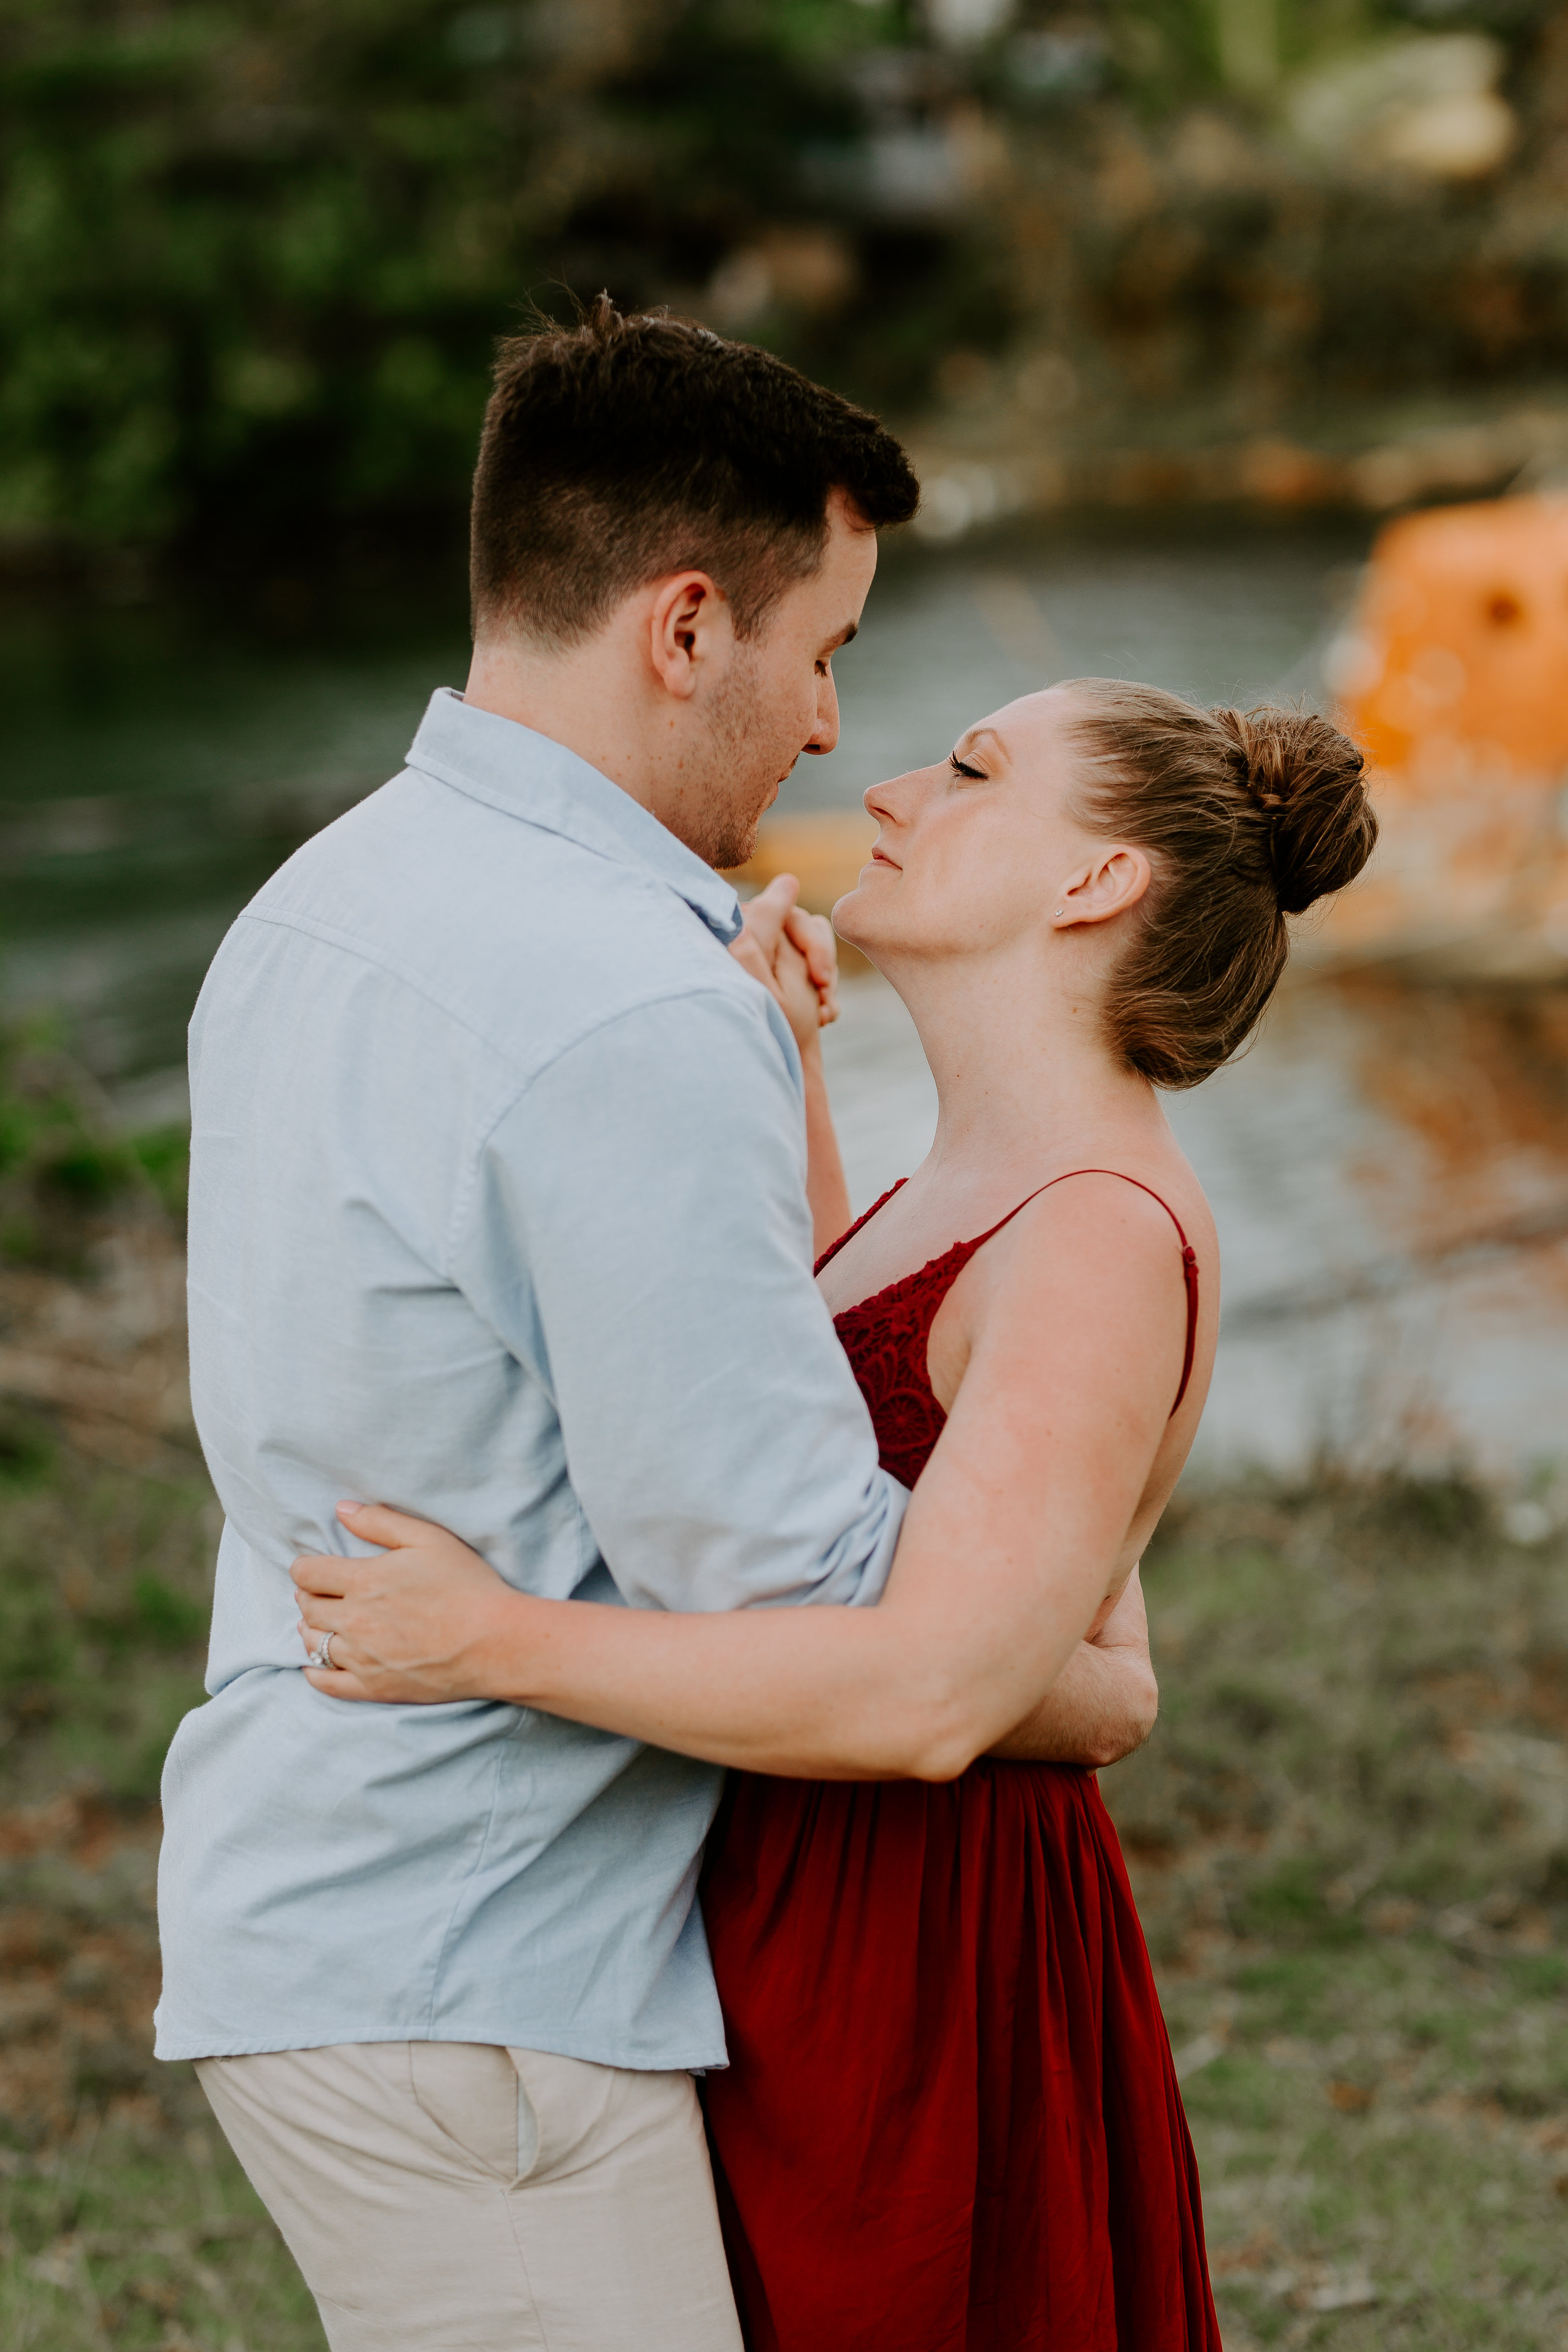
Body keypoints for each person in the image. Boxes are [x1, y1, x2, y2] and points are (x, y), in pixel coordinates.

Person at [157, 299, 1159, 2352]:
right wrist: (1079, 1673)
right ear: (686, 626)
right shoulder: (619, 996)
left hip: (321, 1900)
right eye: (826, 656)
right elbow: (810, 1601)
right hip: (483, 1970)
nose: (821, 732)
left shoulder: (323, 900)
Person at [292, 677, 1379, 2350]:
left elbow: (932, 1695)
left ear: (1093, 886)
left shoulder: (1092, 1231)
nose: (881, 787)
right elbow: (848, 1458)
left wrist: (490, 1640)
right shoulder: (974, 1180)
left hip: (916, 1945)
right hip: (802, 1890)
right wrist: (791, 1081)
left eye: (966, 770)